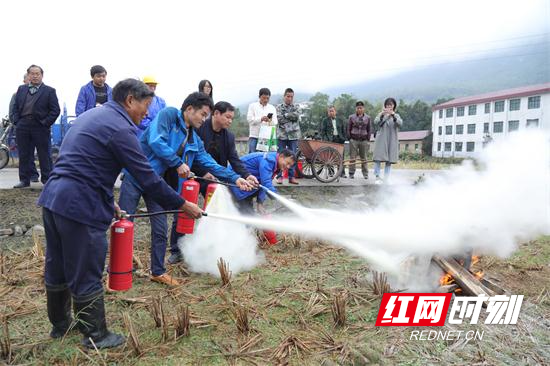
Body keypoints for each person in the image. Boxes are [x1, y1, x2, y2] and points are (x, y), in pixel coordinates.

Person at [38, 79, 201, 349]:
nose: (147, 114)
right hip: (80, 206)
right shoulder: (121, 128)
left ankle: (60, 325)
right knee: (86, 268)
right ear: (129, 101)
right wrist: (182, 204)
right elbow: (147, 177)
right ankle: (96, 335)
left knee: (57, 264)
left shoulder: (93, 115)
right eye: (145, 106)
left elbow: (84, 162)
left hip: (54, 199)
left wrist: (108, 201)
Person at [118, 93, 253, 272]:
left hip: (155, 184)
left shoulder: (193, 138)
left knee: (160, 229)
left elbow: (208, 162)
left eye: (206, 116)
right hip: (136, 176)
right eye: (203, 114)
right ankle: (118, 269)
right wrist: (178, 163)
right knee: (123, 223)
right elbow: (156, 141)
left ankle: (158, 271)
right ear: (189, 109)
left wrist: (235, 178)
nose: (204, 119)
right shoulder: (169, 115)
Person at [191, 101, 259, 196]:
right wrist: (203, 172)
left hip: (217, 176)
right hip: (195, 173)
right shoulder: (198, 128)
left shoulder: (229, 137)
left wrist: (247, 175)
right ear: (216, 113)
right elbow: (192, 155)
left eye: (231, 118)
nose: (230, 121)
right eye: (227, 117)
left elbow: (234, 159)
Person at [12, 65, 60, 188]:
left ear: (42, 75)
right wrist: (17, 121)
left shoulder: (49, 91)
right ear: (28, 75)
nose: (35, 76)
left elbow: (55, 110)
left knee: (44, 154)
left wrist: (45, 123)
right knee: (24, 154)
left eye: (37, 73)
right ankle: (24, 180)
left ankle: (47, 179)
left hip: (40, 126)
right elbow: (15, 107)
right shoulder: (21, 89)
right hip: (23, 125)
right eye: (32, 74)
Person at [230, 150, 295, 215]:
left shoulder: (275, 164)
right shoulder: (268, 160)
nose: (288, 167)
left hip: (246, 186)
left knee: (249, 214)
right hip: (235, 181)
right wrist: (279, 198)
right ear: (281, 156)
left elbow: (263, 184)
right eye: (288, 163)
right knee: (247, 215)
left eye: (290, 166)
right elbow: (265, 182)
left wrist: (260, 202)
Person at [9, 73, 39, 182]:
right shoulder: (17, 94)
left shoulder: (41, 92)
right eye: (29, 79)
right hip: (22, 127)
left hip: (38, 127)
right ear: (25, 81)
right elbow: (12, 110)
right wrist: (17, 123)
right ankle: (30, 176)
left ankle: (36, 174)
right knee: (25, 153)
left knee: (39, 152)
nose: (31, 80)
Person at [372, 98, 402, 184]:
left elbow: (400, 123)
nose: (389, 106)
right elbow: (376, 122)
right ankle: (377, 177)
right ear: (385, 106)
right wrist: (382, 115)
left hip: (391, 140)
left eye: (391, 105)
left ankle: (386, 179)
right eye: (387, 105)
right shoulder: (381, 114)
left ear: (394, 106)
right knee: (378, 158)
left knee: (389, 160)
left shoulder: (396, 116)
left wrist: (393, 115)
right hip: (381, 139)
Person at [275, 88, 301, 185]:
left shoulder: (296, 106)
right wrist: (291, 118)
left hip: (293, 136)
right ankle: (279, 176)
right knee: (280, 156)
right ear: (284, 96)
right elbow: (279, 119)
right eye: (288, 96)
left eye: (291, 97)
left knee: (292, 156)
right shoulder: (278, 107)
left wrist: (285, 115)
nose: (289, 98)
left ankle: (291, 177)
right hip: (282, 135)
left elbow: (297, 116)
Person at [246, 88, 278, 153]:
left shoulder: (272, 108)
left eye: (267, 98)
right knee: (253, 156)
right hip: (255, 136)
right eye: (263, 98)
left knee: (265, 157)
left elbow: (275, 122)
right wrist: (261, 119)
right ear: (259, 97)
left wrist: (269, 120)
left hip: (267, 137)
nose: (266, 100)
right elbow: (249, 119)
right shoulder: (252, 106)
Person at [347, 101, 371, 179]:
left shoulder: (368, 118)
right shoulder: (351, 117)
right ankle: (351, 173)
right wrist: (349, 138)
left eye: (361, 108)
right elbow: (348, 128)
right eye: (358, 108)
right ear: (356, 109)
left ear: (363, 109)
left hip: (364, 140)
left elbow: (369, 129)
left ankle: (365, 174)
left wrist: (368, 139)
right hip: (354, 140)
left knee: (364, 158)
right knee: (352, 157)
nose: (359, 109)